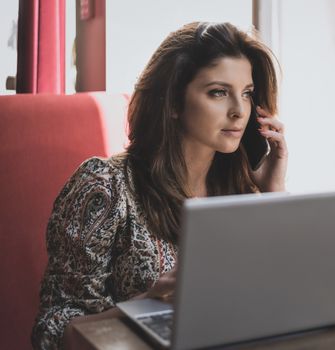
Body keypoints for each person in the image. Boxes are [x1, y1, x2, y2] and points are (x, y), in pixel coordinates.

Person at [31, 22, 287, 349]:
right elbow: (52, 330)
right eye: (219, 92)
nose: (239, 111)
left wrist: (272, 194)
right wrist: (146, 305)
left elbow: (276, 299)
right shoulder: (104, 187)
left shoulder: (239, 188)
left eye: (247, 94)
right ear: (174, 102)